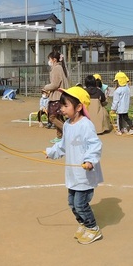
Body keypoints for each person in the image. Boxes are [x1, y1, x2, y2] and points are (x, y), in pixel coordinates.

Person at [45, 86, 104, 245]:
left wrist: (90, 161)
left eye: (66, 106)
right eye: (61, 105)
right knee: (72, 203)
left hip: (85, 174)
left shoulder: (86, 125)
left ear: (78, 107)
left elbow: (95, 145)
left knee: (80, 203)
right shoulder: (67, 125)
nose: (61, 109)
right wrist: (52, 152)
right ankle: (83, 223)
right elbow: (63, 145)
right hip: (72, 173)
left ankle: (93, 228)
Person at [42, 51, 70, 143]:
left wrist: (45, 87)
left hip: (57, 97)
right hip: (60, 96)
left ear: (54, 60)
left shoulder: (56, 68)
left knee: (52, 117)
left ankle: (68, 132)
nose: (49, 61)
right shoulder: (60, 68)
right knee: (58, 117)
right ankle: (59, 136)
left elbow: (55, 84)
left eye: (49, 59)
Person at [111, 71, 133, 135]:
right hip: (126, 107)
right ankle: (131, 128)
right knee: (126, 118)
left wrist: (113, 108)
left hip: (119, 108)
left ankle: (120, 130)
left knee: (119, 119)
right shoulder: (127, 89)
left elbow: (115, 101)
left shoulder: (117, 91)